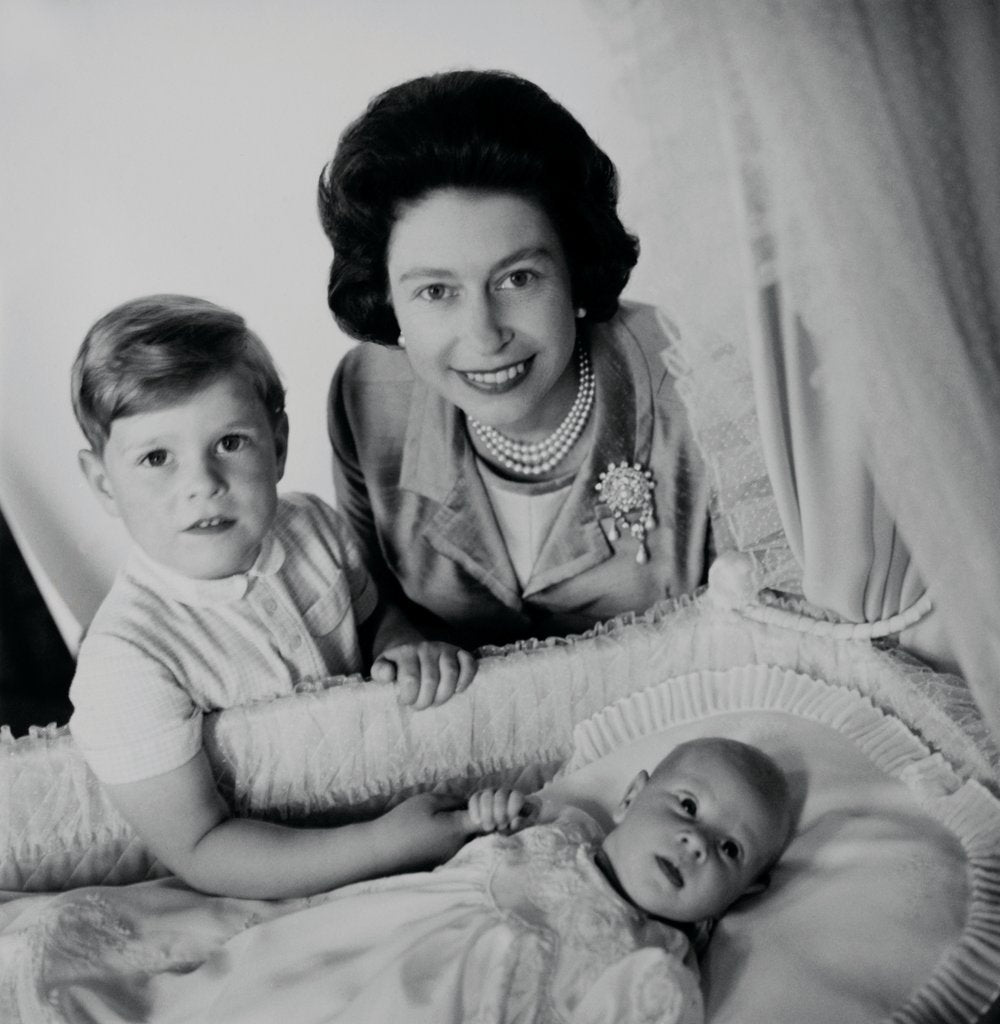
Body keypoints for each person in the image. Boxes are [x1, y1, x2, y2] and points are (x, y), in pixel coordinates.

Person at [68, 294, 480, 899]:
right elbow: (201, 849)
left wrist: (403, 642)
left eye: (230, 443)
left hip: (391, 814)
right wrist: (383, 843)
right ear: (104, 483)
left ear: (278, 444)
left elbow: (375, 620)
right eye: (157, 458)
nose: (202, 485)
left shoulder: (313, 527)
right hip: (260, 891)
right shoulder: (127, 660)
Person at [319, 69, 713, 648]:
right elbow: (374, 608)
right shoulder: (366, 396)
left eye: (517, 278)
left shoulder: (698, 377)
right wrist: (399, 642)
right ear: (387, 297)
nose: (483, 336)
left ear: (576, 268)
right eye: (435, 291)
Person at [104, 736, 791, 1023]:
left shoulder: (661, 957)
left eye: (729, 850)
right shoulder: (567, 825)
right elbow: (472, 840)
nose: (692, 844)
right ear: (633, 794)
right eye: (688, 808)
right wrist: (488, 818)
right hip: (381, 952)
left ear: (746, 893)